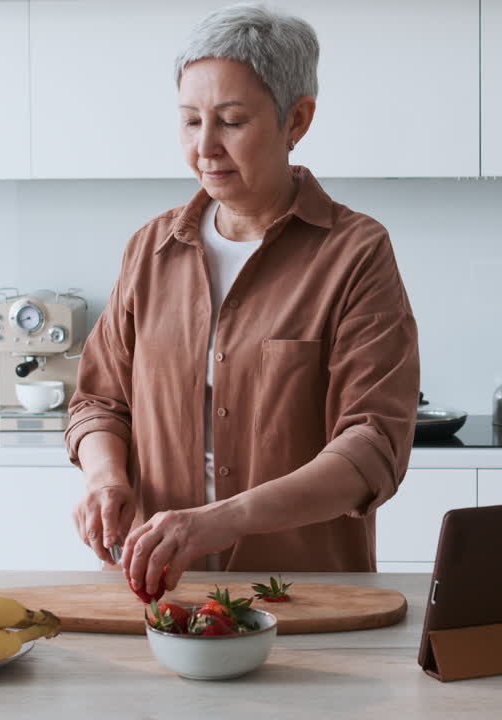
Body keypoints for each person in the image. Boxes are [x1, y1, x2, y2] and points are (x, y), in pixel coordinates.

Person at [67, 3, 419, 599]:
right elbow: (100, 402)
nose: (205, 147)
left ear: (296, 120)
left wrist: (217, 521)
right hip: (158, 592)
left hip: (302, 595)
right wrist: (105, 479)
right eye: (189, 121)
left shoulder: (355, 253)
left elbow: (372, 448)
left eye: (231, 121)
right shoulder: (150, 250)